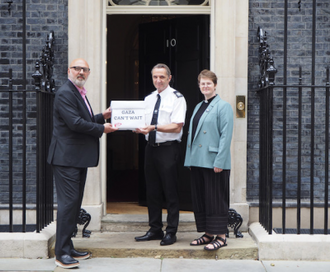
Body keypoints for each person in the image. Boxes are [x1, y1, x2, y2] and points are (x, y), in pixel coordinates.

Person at [47, 58, 118, 268]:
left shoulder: (78, 92)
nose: (80, 72)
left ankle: (68, 247)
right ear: (69, 70)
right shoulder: (65, 93)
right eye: (77, 68)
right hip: (66, 159)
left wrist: (100, 116)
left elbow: (82, 119)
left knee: (74, 204)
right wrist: (102, 128)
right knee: (68, 205)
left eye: (84, 69)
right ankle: (61, 254)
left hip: (76, 159)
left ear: (88, 73)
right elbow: (75, 123)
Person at [134, 63, 187, 246]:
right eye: (155, 77)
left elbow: (177, 125)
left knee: (170, 192)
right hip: (150, 148)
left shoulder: (177, 98)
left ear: (169, 78)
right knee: (152, 191)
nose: (158, 80)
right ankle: (155, 229)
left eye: (162, 77)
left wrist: (154, 127)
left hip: (168, 149)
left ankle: (171, 231)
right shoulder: (148, 99)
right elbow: (142, 122)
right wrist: (138, 128)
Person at [184, 69, 233, 251]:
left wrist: (220, 161)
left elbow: (226, 136)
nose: (205, 86)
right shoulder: (198, 106)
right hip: (197, 161)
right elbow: (192, 136)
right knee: (201, 198)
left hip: (214, 162)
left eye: (208, 83)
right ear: (199, 85)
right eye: (202, 83)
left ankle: (221, 236)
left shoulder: (223, 106)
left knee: (215, 199)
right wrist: (189, 160)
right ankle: (207, 234)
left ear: (215, 85)